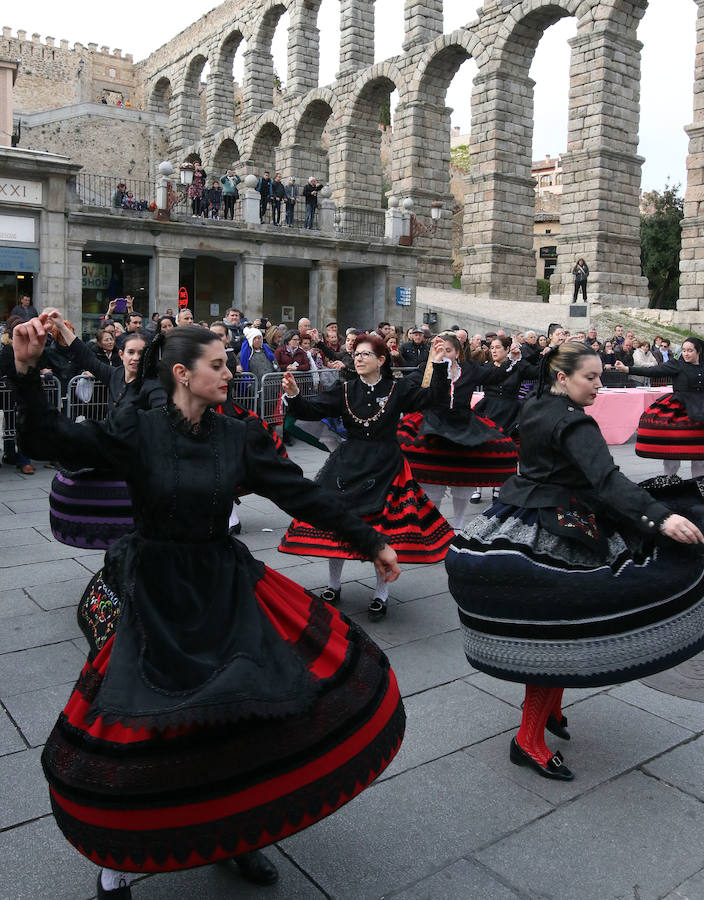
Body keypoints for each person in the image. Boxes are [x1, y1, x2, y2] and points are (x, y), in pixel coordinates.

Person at [10, 313, 405, 899]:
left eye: (227, 363)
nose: (229, 373)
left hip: (223, 585)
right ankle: (117, 859)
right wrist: (24, 368)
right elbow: (51, 439)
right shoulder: (139, 430)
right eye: (218, 365)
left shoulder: (237, 436)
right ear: (182, 374)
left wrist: (370, 541)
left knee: (239, 716)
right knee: (144, 725)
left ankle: (238, 836)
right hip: (154, 593)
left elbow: (300, 492)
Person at [446, 341, 704, 781]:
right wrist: (661, 517)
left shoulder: (537, 403)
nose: (600, 385)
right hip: (554, 526)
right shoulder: (574, 423)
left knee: (558, 622)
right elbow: (606, 480)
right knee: (560, 631)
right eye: (592, 377)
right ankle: (527, 740)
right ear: (563, 377)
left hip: (519, 515)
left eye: (601, 376)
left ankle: (551, 709)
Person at [279, 333, 454, 620]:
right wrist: (294, 394)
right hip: (348, 463)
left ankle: (381, 593)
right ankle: (333, 585)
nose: (358, 358)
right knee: (336, 522)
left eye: (365, 354)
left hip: (386, 464)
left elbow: (433, 398)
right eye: (356, 354)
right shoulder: (345, 389)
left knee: (382, 529)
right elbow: (312, 410)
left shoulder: (397, 389)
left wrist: (438, 365)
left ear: (381, 360)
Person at [397, 332, 519, 526]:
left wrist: (513, 358)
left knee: (463, 481)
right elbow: (404, 387)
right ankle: (433, 524)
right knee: (433, 480)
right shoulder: (425, 370)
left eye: (448, 350)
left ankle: (459, 525)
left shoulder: (469, 369)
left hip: (463, 425)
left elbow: (496, 375)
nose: (444, 353)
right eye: (439, 350)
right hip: (433, 425)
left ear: (457, 353)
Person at [617, 337, 704, 478]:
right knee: (673, 454)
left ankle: (700, 485)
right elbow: (654, 371)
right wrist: (628, 369)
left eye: (690, 350)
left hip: (700, 413)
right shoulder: (677, 364)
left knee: (700, 457)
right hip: (680, 411)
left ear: (698, 351)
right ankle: (669, 481)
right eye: (684, 350)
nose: (686, 353)